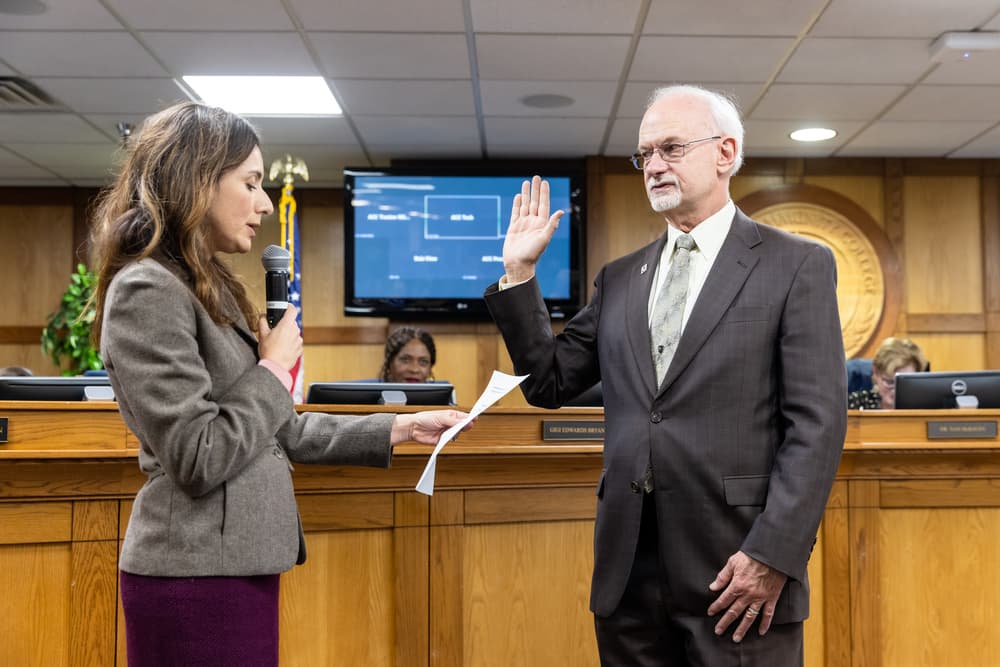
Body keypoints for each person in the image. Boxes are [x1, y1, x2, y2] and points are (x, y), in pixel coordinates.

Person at [89, 101, 468, 667]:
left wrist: (402, 427)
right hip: (194, 575)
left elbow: (276, 428)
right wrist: (271, 370)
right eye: (251, 182)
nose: (265, 203)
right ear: (198, 181)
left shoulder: (208, 289)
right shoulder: (147, 290)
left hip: (239, 564)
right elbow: (198, 453)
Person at [485, 85, 847, 665]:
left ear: (725, 152)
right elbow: (549, 383)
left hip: (738, 570)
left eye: (671, 149)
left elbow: (817, 426)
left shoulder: (796, 264)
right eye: (644, 154)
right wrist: (519, 274)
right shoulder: (622, 277)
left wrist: (773, 555)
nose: (653, 166)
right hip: (629, 576)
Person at [848, 337, 928, 410]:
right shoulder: (854, 404)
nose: (895, 391)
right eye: (889, 382)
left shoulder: (926, 407)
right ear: (876, 373)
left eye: (905, 383)